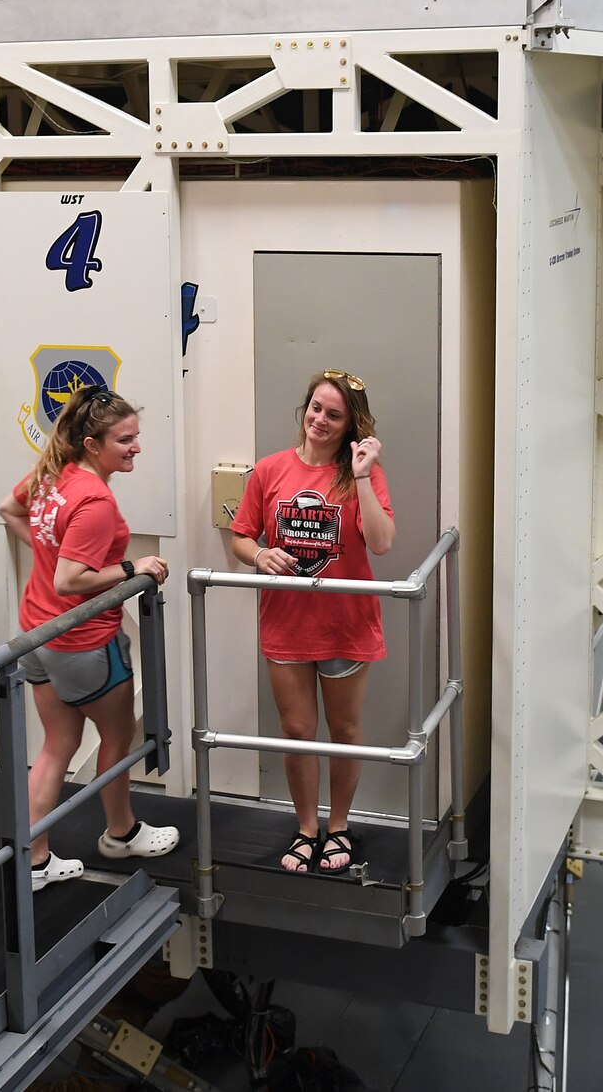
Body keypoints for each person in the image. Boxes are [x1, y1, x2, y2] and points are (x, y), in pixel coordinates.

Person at [0, 386, 180, 889]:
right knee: (117, 738)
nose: (136, 448)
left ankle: (33, 861)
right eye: (125, 440)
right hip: (83, 641)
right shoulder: (94, 498)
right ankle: (120, 833)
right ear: (93, 443)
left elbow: (8, 510)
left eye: (136, 438)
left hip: (38, 633)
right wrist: (131, 567)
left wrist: (48, 552)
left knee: (57, 744)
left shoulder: (52, 473)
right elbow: (71, 581)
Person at [227, 369, 395, 875]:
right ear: (304, 410)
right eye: (315, 408)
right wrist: (259, 556)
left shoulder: (362, 473)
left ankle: (339, 825)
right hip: (287, 622)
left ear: (350, 425)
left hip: (344, 622)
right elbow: (240, 538)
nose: (320, 420)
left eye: (334, 415)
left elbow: (383, 542)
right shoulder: (269, 470)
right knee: (296, 731)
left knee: (343, 730)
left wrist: (363, 474)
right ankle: (305, 827)